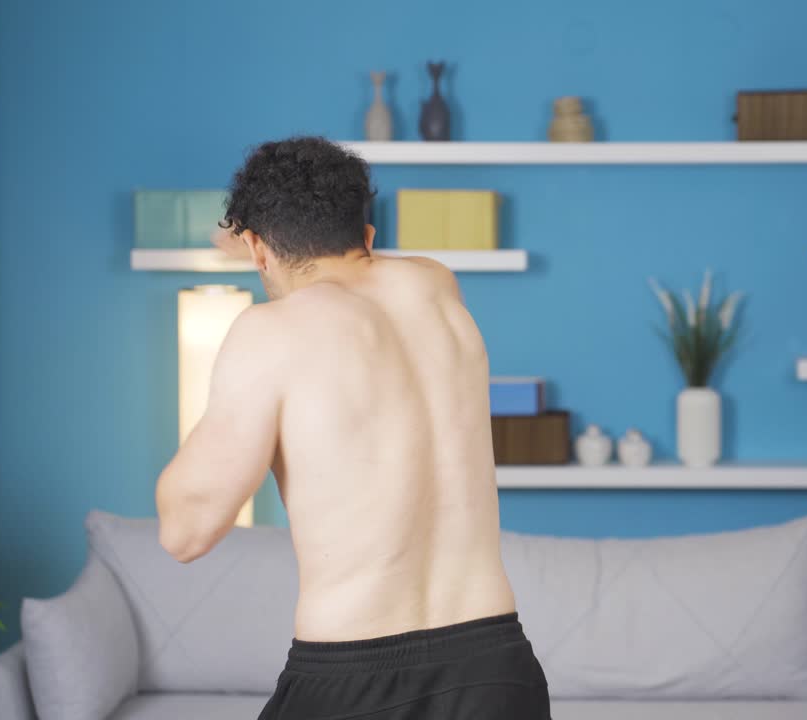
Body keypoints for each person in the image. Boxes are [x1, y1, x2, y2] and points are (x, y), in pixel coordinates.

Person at [154, 136, 550, 720]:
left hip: (357, 677)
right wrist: (274, 244)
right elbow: (357, 270)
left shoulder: (270, 332)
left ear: (258, 249)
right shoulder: (436, 287)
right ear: (367, 236)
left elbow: (185, 532)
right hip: (497, 670)